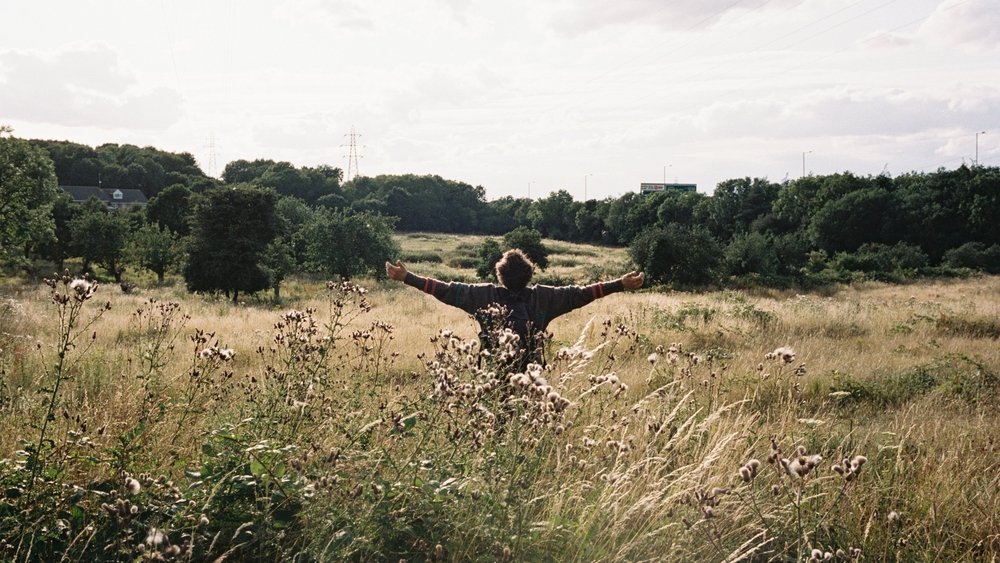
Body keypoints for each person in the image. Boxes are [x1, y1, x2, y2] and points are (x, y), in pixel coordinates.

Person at [385, 249, 644, 370]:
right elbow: (581, 294)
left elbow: (445, 290)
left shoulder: (483, 296)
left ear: (500, 275)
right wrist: (619, 284)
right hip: (532, 378)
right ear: (529, 275)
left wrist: (408, 277)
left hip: (492, 377)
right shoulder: (544, 298)